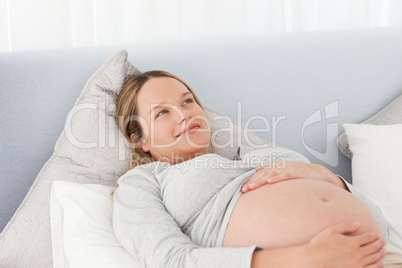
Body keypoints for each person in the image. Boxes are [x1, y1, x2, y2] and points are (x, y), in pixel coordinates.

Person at [112, 70, 388, 268]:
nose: (184, 113)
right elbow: (170, 260)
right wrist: (305, 258)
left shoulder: (250, 154)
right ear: (140, 139)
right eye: (162, 112)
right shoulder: (143, 182)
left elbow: (378, 220)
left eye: (187, 101)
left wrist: (329, 178)